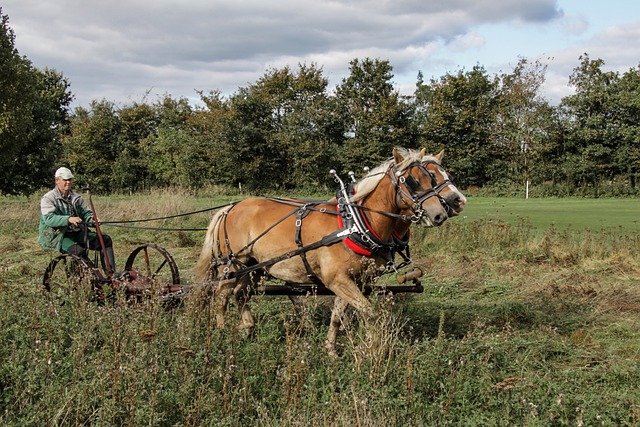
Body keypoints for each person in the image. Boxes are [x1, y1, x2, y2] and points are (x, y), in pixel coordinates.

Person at [39, 167, 116, 274]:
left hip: (77, 233)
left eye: (70, 179)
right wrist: (68, 219)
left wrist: (92, 219)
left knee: (105, 240)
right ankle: (77, 279)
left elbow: (86, 213)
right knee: (78, 251)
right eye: (65, 180)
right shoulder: (48, 198)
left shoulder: (76, 197)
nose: (68, 182)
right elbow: (49, 219)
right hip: (59, 236)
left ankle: (111, 275)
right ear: (57, 181)